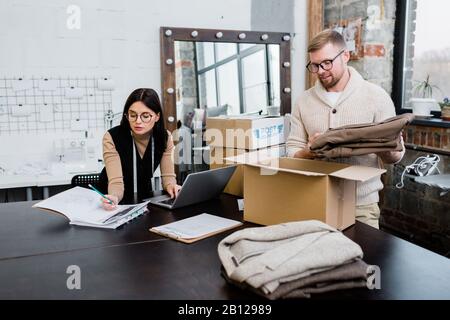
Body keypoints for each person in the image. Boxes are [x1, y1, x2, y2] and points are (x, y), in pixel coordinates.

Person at [286, 30, 405, 229]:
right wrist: (308, 151)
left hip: (361, 206)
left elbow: (396, 157)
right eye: (315, 65)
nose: (321, 71)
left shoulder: (377, 96)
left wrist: (382, 146)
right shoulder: (303, 101)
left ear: (346, 56)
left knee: (364, 259)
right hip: (313, 201)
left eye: (327, 63)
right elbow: (291, 151)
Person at [99, 88, 181, 210]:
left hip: (143, 197)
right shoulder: (112, 137)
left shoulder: (164, 137)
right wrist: (113, 197)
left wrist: (172, 187)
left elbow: (168, 177)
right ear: (127, 115)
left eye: (145, 116)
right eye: (133, 115)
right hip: (111, 198)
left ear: (157, 116)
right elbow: (116, 182)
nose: (138, 121)